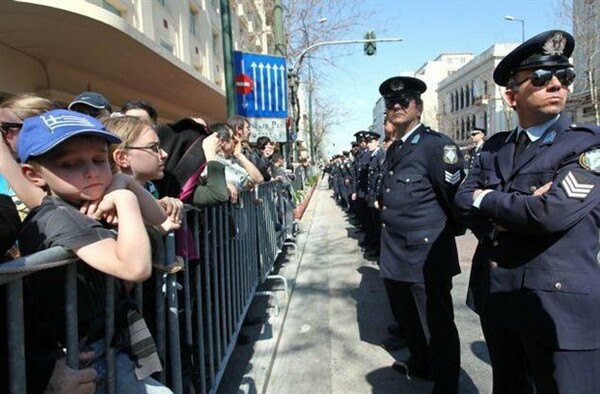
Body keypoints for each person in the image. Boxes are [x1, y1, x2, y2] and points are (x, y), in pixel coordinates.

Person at [453, 30, 600, 394]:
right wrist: (513, 212)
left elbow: (550, 214)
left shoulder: (587, 143)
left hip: (560, 309)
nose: (555, 85)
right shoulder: (493, 148)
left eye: (563, 76)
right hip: (499, 299)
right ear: (511, 95)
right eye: (539, 78)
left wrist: (488, 200)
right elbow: (461, 200)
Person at [17, 109, 171, 393]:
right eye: (70, 164)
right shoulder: (57, 217)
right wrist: (124, 199)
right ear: (33, 175)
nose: (90, 171)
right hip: (82, 356)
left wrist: (124, 182)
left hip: (105, 343)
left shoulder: (86, 198)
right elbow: (135, 268)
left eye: (99, 160)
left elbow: (158, 217)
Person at [378, 76, 464, 393]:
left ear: (419, 107)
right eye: (391, 103)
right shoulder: (397, 147)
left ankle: (446, 383)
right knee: (408, 318)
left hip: (426, 254)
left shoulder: (435, 146)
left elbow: (454, 198)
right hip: (396, 252)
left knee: (438, 324)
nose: (397, 106)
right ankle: (422, 363)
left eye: (404, 101)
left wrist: (443, 237)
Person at [104, 115, 183, 233]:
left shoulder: (151, 189)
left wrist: (161, 205)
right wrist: (157, 231)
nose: (164, 154)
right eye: (153, 147)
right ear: (122, 157)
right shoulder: (105, 204)